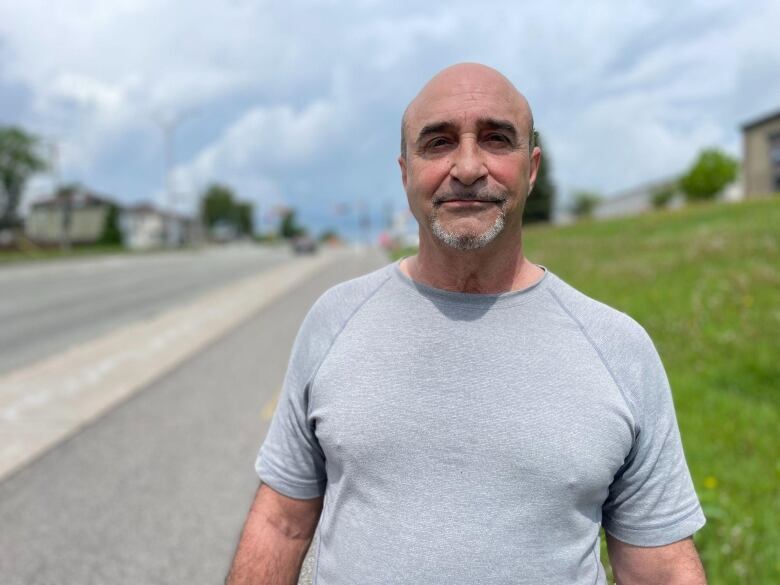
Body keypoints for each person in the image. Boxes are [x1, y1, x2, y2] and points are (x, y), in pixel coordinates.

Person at [226, 63, 707, 585]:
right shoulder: (333, 321)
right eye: (438, 143)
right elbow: (282, 524)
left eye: (498, 139)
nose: (470, 167)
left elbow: (659, 567)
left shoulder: (619, 349)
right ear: (405, 170)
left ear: (532, 168)